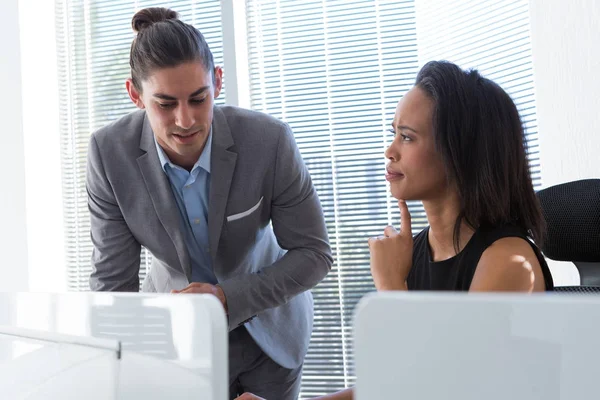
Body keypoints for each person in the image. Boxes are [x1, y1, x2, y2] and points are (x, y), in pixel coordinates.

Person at [236, 61, 554, 400]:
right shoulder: (415, 252)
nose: (390, 151)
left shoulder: (508, 261)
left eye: (407, 137)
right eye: (394, 134)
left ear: (458, 151)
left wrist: (391, 287)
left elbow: (446, 387)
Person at [86, 7, 333, 400]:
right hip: (174, 343)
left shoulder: (269, 142)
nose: (185, 120)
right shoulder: (108, 154)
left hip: (269, 332)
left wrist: (225, 299)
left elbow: (315, 253)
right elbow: (113, 285)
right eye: (165, 104)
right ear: (136, 95)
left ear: (217, 83)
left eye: (198, 99)